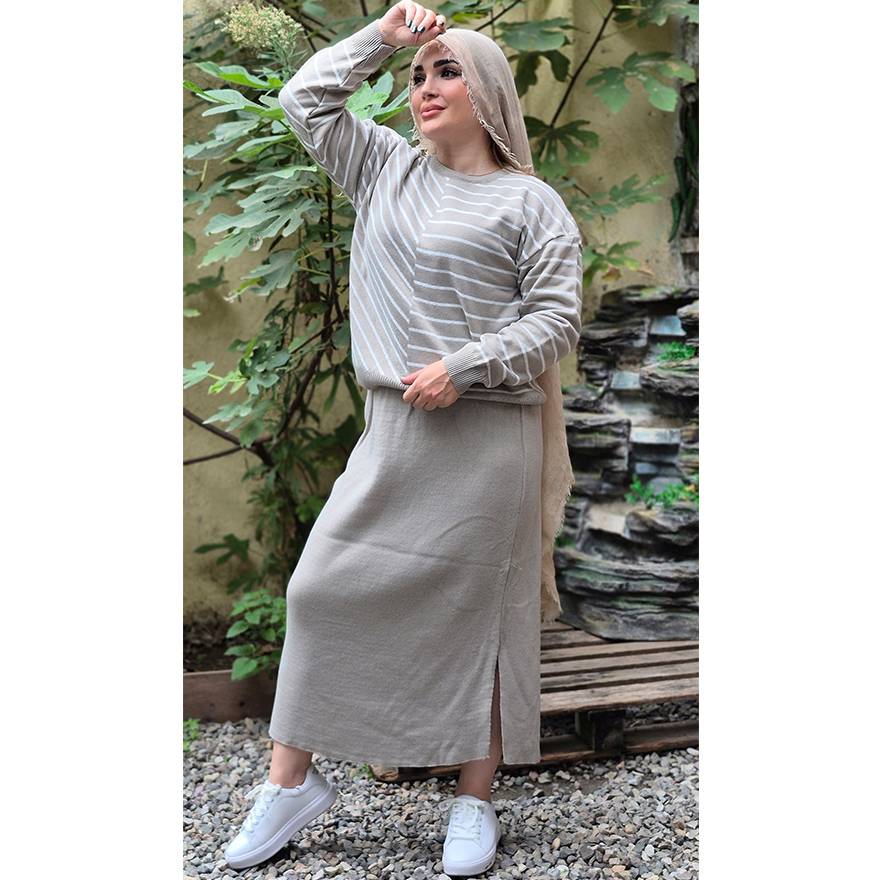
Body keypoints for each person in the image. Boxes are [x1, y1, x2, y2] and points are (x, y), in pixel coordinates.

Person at [222, 2, 583, 875]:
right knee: (318, 589)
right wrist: (382, 41)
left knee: (481, 620)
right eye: (419, 75)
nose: (426, 87)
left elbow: (557, 319)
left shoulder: (530, 203)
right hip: (394, 430)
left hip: (489, 439)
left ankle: (473, 802)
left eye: (446, 71)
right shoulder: (383, 167)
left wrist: (466, 365)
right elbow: (305, 101)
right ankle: (291, 785)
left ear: (488, 91)